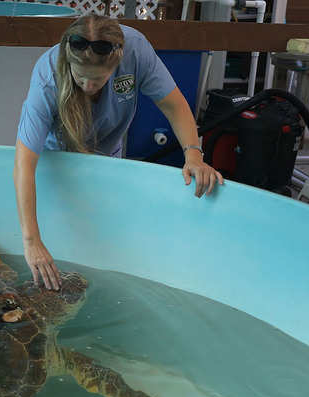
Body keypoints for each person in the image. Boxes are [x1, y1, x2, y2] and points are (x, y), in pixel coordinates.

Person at [13, 15, 223, 291]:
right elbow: (24, 165)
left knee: (106, 238)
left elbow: (174, 105)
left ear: (117, 63)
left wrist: (194, 156)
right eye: (80, 78)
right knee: (64, 231)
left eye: (98, 80)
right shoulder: (47, 78)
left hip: (107, 155)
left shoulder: (135, 50)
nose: (88, 86)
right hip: (58, 160)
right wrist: (31, 241)